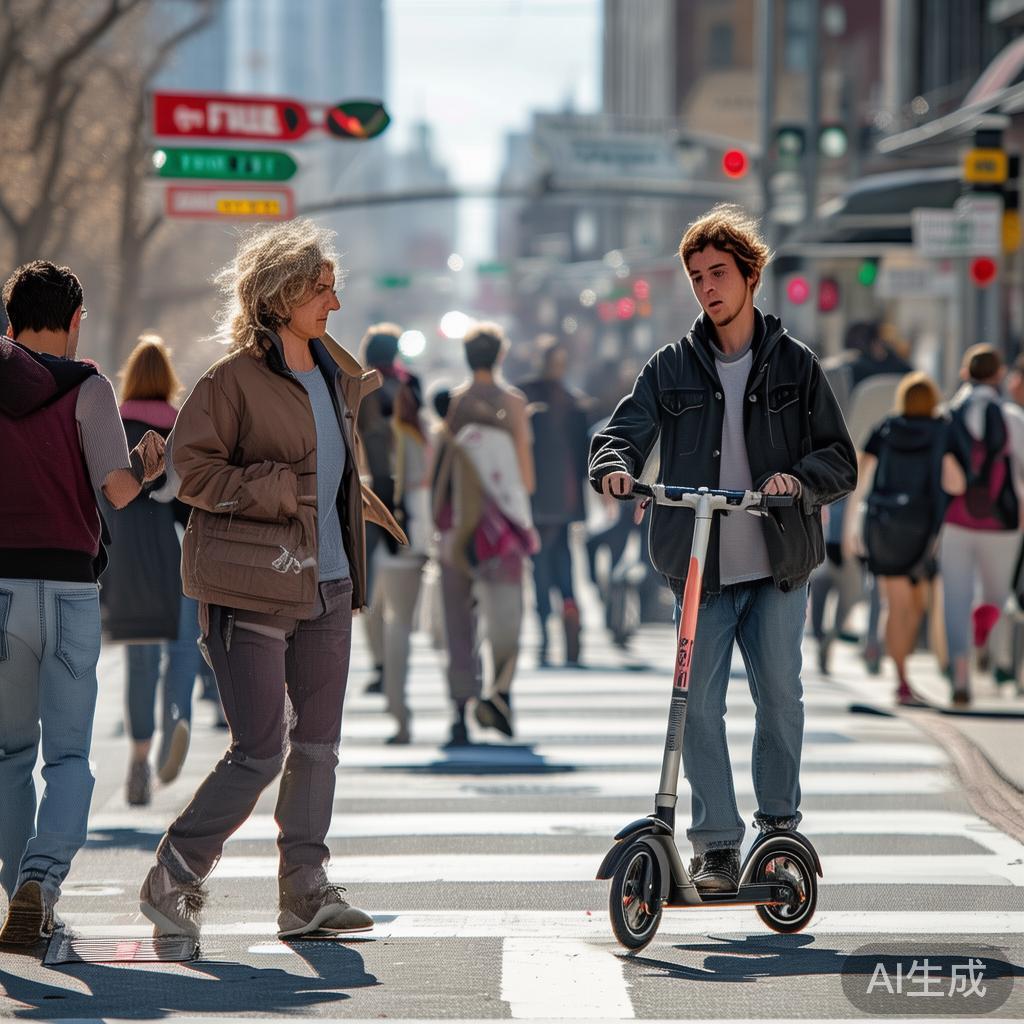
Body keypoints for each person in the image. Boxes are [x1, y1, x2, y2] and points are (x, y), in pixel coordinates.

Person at [138, 220, 404, 942]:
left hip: (330, 585)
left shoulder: (338, 376)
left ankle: (305, 893)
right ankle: (176, 871)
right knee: (260, 749)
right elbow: (191, 473)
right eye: (322, 289)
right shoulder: (230, 383)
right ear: (281, 296)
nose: (335, 303)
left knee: (318, 745)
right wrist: (278, 490)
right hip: (250, 587)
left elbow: (338, 475)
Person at [589, 205, 857, 894]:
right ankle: (715, 845)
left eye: (718, 273)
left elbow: (840, 459)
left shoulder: (795, 367)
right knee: (695, 706)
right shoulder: (671, 367)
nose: (707, 287)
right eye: (697, 276)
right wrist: (615, 466)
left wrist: (796, 479)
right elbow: (624, 430)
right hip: (700, 568)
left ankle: (777, 828)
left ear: (750, 276)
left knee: (779, 697)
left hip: (776, 566)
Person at [0, 261, 165, 945]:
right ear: (75, 322)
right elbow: (119, 492)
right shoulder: (90, 389)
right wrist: (150, 466)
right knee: (68, 756)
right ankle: (43, 879)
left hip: (1, 592)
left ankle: (19, 898)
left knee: (9, 754)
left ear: (10, 322)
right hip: (69, 592)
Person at [101, 335, 195, 805]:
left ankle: (138, 759)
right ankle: (176, 723)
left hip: (125, 561)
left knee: (140, 663)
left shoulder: (113, 428)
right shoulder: (180, 429)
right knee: (181, 651)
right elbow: (188, 507)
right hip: (172, 559)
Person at [432, 322, 536, 745]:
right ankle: (499, 694)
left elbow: (439, 469)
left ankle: (459, 709)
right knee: (506, 616)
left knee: (459, 620)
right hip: (501, 529)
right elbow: (524, 474)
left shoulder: (453, 405)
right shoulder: (512, 403)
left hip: (458, 528)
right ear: (500, 356)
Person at [844, 372, 965, 706]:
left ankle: (900, 679)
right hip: (924, 532)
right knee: (915, 608)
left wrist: (852, 528)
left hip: (882, 527)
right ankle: (905, 677)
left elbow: (860, 476)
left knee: (895, 606)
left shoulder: (885, 429)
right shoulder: (942, 431)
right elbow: (956, 484)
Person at [356, 323, 431, 744]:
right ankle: (394, 691)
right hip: (409, 515)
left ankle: (384, 671)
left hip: (371, 509)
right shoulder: (412, 386)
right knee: (399, 614)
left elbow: (373, 457)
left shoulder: (359, 388)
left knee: (369, 602)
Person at [941, 344, 1024, 706]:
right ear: (999, 374)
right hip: (1002, 522)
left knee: (954, 597)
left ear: (964, 373)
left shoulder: (946, 415)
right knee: (997, 595)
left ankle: (960, 675)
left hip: (954, 521)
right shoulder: (1011, 417)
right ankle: (986, 632)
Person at [520, 336, 591, 666]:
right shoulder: (569, 401)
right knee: (559, 567)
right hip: (558, 500)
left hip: (544, 500)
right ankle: (566, 636)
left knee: (545, 568)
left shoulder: (532, 398)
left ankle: (553, 637)